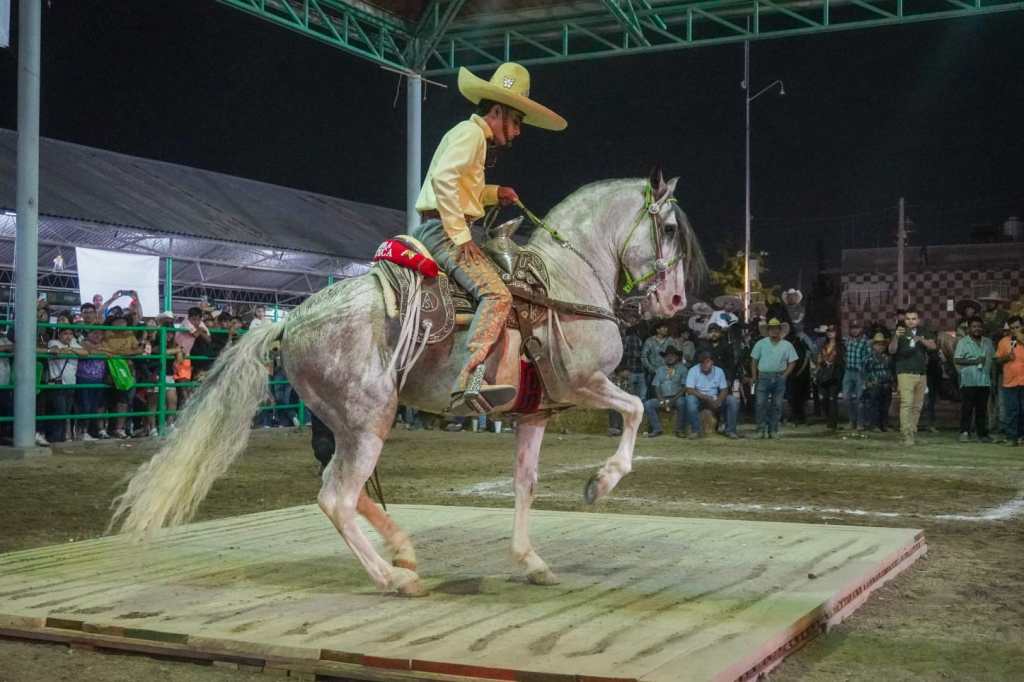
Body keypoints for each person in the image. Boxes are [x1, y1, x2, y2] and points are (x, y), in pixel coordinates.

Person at [412, 62, 565, 415]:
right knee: (496, 294)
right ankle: (468, 378)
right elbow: (445, 181)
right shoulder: (470, 135)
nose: (518, 132)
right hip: (445, 231)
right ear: (498, 111)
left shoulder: (471, 137)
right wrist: (461, 233)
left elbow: (462, 187)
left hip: (440, 226)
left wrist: (495, 193)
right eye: (517, 122)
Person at [888, 308, 937, 446]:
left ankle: (912, 434)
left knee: (917, 406)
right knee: (906, 404)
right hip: (905, 372)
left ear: (918, 320)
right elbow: (892, 350)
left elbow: (933, 346)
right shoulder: (900, 331)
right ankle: (906, 435)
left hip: (921, 373)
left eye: (913, 318)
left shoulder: (923, 331)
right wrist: (896, 336)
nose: (910, 321)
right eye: (908, 318)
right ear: (905, 320)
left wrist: (921, 340)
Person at [750, 318, 798, 438]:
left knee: (777, 405)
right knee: (761, 404)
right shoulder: (761, 343)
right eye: (771, 328)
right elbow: (754, 360)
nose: (774, 331)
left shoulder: (787, 345)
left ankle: (773, 430)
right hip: (763, 376)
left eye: (776, 328)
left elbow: (793, 361)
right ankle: (760, 430)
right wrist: (754, 376)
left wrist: (785, 375)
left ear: (780, 330)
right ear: (768, 330)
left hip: (779, 376)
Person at [954, 316, 995, 443]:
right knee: (967, 408)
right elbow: (957, 359)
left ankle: (982, 434)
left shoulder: (988, 342)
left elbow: (993, 359)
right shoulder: (963, 342)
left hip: (984, 381)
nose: (977, 329)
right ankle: (964, 432)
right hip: (969, 381)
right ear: (969, 329)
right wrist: (974, 361)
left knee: (982, 410)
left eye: (979, 326)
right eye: (974, 326)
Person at [684, 350, 741, 439]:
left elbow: (724, 389)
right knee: (690, 399)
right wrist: (706, 398)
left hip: (715, 398)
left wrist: (718, 401)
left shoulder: (719, 371)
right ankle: (696, 431)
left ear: (712, 362)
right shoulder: (693, 370)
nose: (705, 364)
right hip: (699, 398)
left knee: (732, 400)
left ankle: (730, 430)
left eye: (707, 362)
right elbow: (689, 390)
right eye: (702, 363)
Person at [46, 327, 86, 443]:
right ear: (59, 335)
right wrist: (71, 350)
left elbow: (85, 353)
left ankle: (61, 437)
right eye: (65, 333)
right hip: (57, 384)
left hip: (70, 384)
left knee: (65, 412)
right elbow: (56, 350)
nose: (68, 336)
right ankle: (56, 438)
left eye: (70, 333)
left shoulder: (73, 344)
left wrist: (69, 349)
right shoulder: (53, 342)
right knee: (60, 412)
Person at [642, 347, 687, 438]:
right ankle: (657, 429)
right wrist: (662, 400)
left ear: (677, 357)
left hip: (677, 397)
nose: (669, 357)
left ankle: (680, 430)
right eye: (667, 356)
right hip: (663, 398)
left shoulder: (683, 369)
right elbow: (656, 386)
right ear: (664, 357)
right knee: (648, 404)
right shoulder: (660, 369)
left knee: (682, 402)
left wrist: (673, 400)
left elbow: (684, 388)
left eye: (672, 355)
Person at [994, 315, 1024, 446]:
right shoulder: (1004, 341)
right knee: (1011, 411)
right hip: (1009, 382)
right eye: (1011, 328)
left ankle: (1022, 437)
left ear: (1022, 327)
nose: (1014, 330)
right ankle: (1012, 437)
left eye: (1017, 327)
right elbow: (996, 360)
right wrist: (1006, 358)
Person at [841, 321, 871, 430]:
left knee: (860, 398)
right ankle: (851, 421)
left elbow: (869, 356)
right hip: (848, 371)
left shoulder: (865, 341)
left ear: (860, 329)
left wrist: (862, 364)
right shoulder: (847, 340)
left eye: (857, 328)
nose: (854, 330)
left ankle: (860, 423)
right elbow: (844, 354)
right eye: (853, 328)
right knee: (845, 397)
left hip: (860, 372)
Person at [862, 333, 894, 431]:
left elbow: (891, 370)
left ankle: (884, 425)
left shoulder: (888, 358)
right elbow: (864, 371)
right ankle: (874, 425)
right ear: (873, 345)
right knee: (874, 405)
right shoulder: (868, 358)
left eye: (882, 344)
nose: (880, 346)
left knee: (885, 406)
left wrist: (892, 381)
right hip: (874, 385)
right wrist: (868, 382)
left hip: (886, 384)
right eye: (878, 344)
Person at [816, 324, 845, 431]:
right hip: (824, 375)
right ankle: (829, 418)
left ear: (836, 333)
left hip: (835, 375)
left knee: (832, 398)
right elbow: (819, 358)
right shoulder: (824, 345)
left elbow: (842, 361)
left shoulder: (840, 345)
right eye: (829, 331)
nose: (830, 333)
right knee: (824, 398)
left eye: (832, 331)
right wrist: (820, 366)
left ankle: (832, 423)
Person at [641, 322, 674, 390]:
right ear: (657, 330)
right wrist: (651, 369)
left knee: (666, 394)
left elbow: (674, 356)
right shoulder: (650, 341)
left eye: (666, 328)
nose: (666, 329)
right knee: (652, 394)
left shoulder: (670, 340)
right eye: (664, 328)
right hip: (653, 373)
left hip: (667, 373)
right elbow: (643, 356)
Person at [619, 324, 647, 401]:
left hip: (629, 369)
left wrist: (622, 368)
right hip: (640, 370)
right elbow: (642, 355)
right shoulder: (640, 339)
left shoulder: (624, 339)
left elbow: (621, 354)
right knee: (641, 394)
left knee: (629, 393)